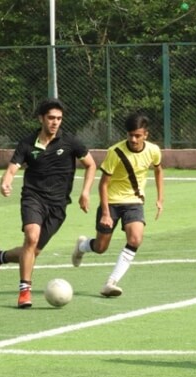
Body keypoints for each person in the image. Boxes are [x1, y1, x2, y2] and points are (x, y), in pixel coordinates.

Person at [0, 98, 96, 308]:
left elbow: (91, 165)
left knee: (32, 251)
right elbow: (12, 169)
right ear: (41, 119)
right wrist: (5, 182)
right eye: (51, 118)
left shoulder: (70, 142)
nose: (55, 122)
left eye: (59, 119)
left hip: (58, 205)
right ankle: (24, 291)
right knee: (31, 237)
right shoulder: (27, 143)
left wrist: (85, 192)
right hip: (33, 197)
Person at [71, 112, 164, 297]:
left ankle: (111, 283)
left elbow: (158, 170)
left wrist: (160, 198)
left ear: (146, 135)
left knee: (135, 239)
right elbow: (103, 184)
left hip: (134, 202)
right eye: (130, 135)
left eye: (137, 135)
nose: (133, 139)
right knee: (100, 247)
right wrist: (106, 213)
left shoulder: (153, 150)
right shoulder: (115, 152)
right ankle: (82, 246)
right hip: (111, 202)